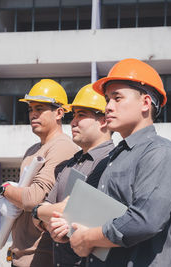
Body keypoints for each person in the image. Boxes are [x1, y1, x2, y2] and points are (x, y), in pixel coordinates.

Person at [51, 58, 171, 266]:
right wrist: (68, 228)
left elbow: (145, 221)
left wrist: (88, 237)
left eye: (117, 98)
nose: (108, 107)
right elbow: (99, 216)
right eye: (108, 100)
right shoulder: (114, 157)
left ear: (145, 103)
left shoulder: (161, 154)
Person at [30, 83, 115, 267]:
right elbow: (46, 213)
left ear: (103, 121)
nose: (73, 122)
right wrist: (44, 216)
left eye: (81, 115)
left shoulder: (111, 163)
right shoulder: (70, 163)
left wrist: (40, 211)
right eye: (74, 115)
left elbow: (76, 211)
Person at [0, 79, 78, 267]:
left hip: (40, 257)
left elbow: (32, 199)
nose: (33, 114)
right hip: (21, 255)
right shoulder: (33, 149)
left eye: (39, 109)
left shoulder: (62, 147)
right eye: (30, 109)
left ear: (59, 113)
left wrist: (5, 189)